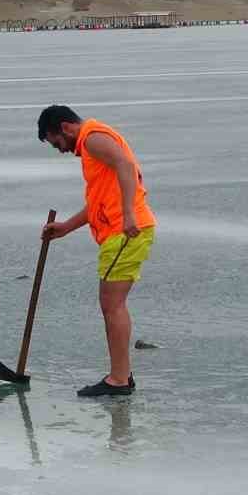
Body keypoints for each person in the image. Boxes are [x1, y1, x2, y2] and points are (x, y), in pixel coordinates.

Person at [37, 105, 157, 397]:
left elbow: (126, 166)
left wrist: (128, 214)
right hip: (121, 230)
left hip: (125, 231)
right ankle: (122, 375)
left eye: (56, 142)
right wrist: (66, 227)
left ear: (65, 128)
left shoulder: (92, 138)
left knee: (112, 304)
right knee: (111, 304)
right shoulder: (91, 144)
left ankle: (119, 380)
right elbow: (100, 201)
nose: (60, 150)